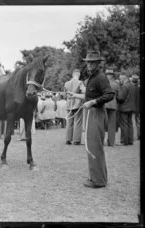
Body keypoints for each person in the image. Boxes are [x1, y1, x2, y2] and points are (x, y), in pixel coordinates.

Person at [75, 51, 114, 188]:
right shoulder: (92, 77)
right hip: (93, 113)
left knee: (94, 147)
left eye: (92, 62)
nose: (89, 64)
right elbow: (90, 97)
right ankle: (98, 178)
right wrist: (75, 95)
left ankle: (98, 181)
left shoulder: (100, 77)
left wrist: (92, 102)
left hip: (96, 113)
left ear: (98, 63)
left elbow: (110, 94)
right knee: (92, 146)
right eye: (88, 62)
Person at [64, 69, 85, 145]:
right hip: (77, 104)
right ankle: (76, 140)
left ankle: (68, 139)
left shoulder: (66, 83)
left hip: (69, 104)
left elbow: (65, 94)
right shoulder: (80, 83)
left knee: (69, 122)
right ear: (78, 75)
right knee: (78, 122)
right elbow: (84, 93)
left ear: (72, 75)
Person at [116, 74, 135, 145]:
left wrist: (116, 95)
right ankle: (130, 141)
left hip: (124, 108)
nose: (120, 80)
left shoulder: (124, 86)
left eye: (120, 79)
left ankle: (124, 141)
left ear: (123, 79)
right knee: (130, 124)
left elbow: (121, 98)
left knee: (124, 125)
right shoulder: (132, 86)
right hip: (131, 107)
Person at [104, 69, 120, 146]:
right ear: (112, 75)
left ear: (106, 75)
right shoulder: (116, 84)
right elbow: (119, 95)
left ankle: (101, 141)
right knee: (112, 125)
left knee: (102, 124)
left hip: (104, 104)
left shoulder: (103, 83)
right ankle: (111, 142)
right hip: (113, 105)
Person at [131, 74, 140, 140]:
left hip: (134, 107)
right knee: (138, 122)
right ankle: (138, 135)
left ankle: (135, 136)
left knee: (133, 121)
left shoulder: (132, 88)